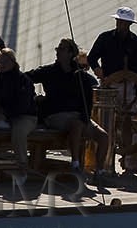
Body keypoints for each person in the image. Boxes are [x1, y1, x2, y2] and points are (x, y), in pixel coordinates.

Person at [27, 38, 110, 176]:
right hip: (55, 116)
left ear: (71, 53)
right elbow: (26, 78)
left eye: (61, 49)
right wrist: (34, 97)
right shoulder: (49, 71)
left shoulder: (81, 76)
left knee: (103, 137)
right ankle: (75, 164)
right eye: (57, 49)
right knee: (76, 125)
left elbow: (88, 99)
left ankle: (100, 171)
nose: (57, 51)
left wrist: (86, 119)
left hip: (79, 117)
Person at [0, 48, 40, 171]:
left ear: (12, 62)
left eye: (5, 61)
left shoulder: (22, 79)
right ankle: (2, 122)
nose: (2, 63)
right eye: (0, 60)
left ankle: (22, 166)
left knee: (19, 133)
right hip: (5, 116)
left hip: (24, 116)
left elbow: (24, 103)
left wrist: (9, 114)